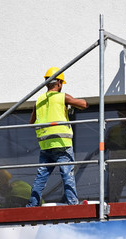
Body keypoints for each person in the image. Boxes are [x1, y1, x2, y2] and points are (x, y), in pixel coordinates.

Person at [26, 67, 89, 207]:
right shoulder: (62, 97)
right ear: (59, 83)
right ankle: (73, 203)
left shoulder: (39, 101)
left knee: (41, 177)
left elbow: (31, 122)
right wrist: (69, 104)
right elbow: (84, 104)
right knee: (67, 174)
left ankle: (32, 205)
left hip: (45, 145)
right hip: (62, 143)